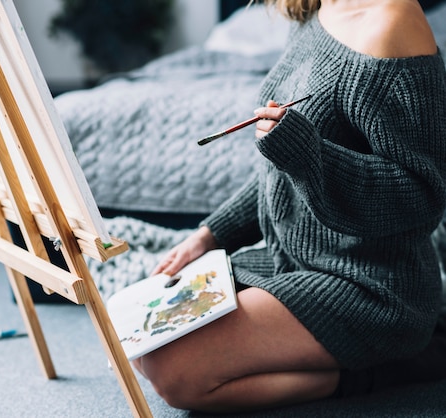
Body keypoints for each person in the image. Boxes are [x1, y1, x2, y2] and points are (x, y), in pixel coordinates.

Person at [132, 0, 446, 413]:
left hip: (371, 284)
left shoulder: (392, 23)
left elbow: (423, 194)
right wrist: (210, 236)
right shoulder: (315, 9)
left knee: (176, 375)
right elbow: (279, 174)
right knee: (142, 341)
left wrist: (308, 154)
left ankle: (393, 366)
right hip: (290, 261)